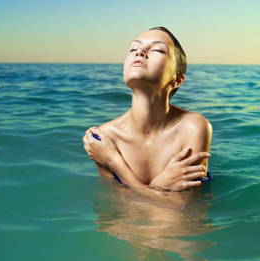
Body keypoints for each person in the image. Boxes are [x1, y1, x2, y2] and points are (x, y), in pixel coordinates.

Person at [83, 26, 212, 200]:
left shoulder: (193, 126)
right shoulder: (104, 138)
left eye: (158, 49)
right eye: (133, 49)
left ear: (177, 79)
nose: (140, 52)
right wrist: (160, 187)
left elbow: (184, 209)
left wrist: (114, 161)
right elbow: (115, 207)